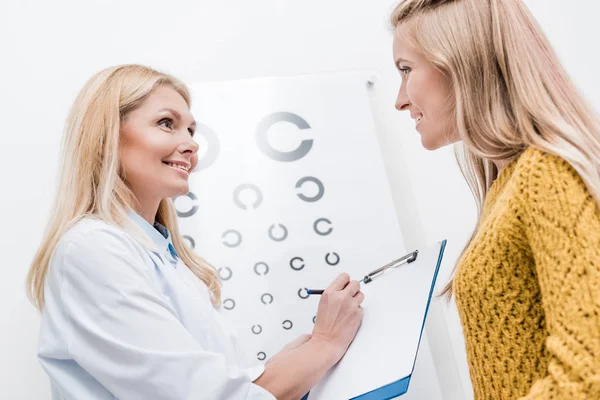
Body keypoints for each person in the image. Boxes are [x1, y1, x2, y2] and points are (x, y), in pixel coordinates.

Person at [26, 64, 365, 400]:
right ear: (105, 139)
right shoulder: (93, 249)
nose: (190, 144)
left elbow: (217, 383)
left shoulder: (166, 259)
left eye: (190, 130)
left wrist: (288, 364)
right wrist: (325, 343)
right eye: (166, 123)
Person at [390, 0, 600, 399]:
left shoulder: (545, 174)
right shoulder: (509, 185)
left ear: (461, 64)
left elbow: (589, 376)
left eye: (405, 70)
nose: (399, 100)